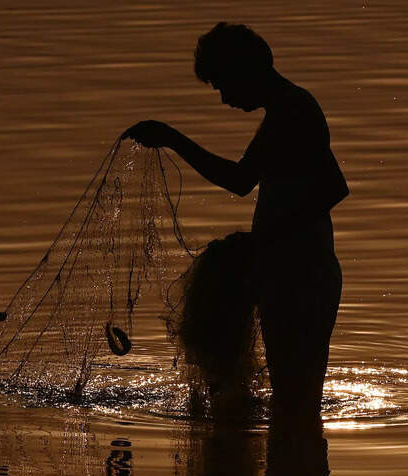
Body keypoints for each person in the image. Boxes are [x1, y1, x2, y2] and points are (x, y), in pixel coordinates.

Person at [124, 22, 348, 426]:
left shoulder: (293, 111)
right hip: (292, 274)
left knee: (296, 406)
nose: (225, 98)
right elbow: (272, 187)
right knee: (293, 405)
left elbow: (260, 183)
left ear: (246, 71)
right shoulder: (288, 108)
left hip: (303, 278)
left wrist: (172, 138)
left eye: (223, 84)